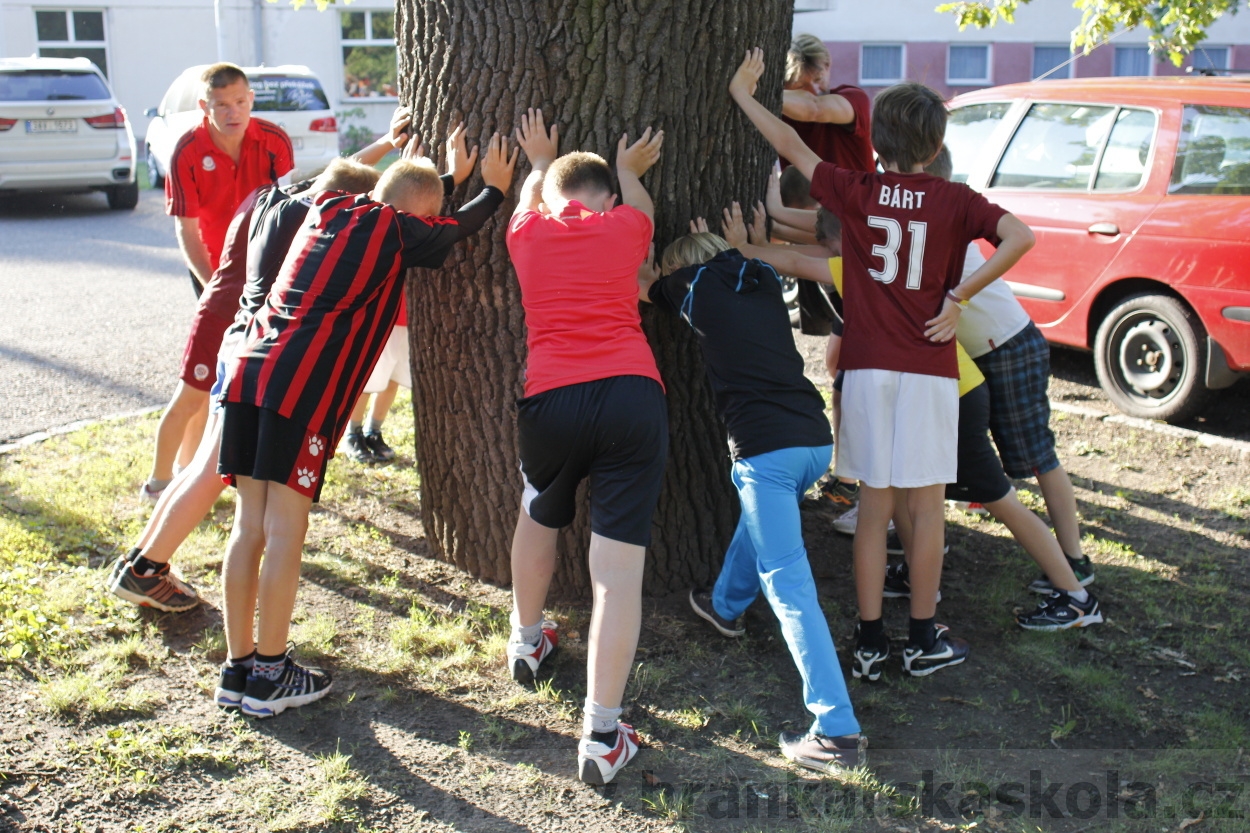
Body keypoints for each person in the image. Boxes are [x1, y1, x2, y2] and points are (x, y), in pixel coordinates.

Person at [729, 49, 1035, 677]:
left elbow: (790, 142)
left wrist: (741, 94)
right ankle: (922, 638)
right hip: (929, 370)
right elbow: (1021, 237)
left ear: (876, 144)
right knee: (925, 511)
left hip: (867, 371)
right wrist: (958, 297)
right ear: (936, 145)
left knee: (873, 510)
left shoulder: (857, 189)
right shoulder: (955, 199)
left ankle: (869, 643)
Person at [109, 110, 468, 610]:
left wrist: (392, 151)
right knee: (210, 472)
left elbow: (343, 178)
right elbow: (375, 207)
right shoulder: (330, 219)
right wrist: (440, 181)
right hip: (259, 358)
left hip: (241, 346)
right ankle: (146, 568)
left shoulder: (282, 199)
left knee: (202, 467)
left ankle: (140, 563)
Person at [212, 132, 516, 718]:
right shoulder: (396, 231)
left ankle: (238, 668)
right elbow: (453, 228)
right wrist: (494, 189)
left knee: (249, 525)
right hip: (298, 390)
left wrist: (447, 180)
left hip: (248, 374)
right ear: (416, 217)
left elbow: (402, 201)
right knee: (286, 529)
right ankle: (271, 675)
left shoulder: (331, 206)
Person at [727, 205, 1101, 635]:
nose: (830, 255)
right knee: (907, 494)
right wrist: (758, 243)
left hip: (954, 394)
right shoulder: (903, 259)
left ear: (848, 242)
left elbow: (796, 260)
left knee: (997, 497)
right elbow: (800, 256)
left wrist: (743, 247)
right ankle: (918, 576)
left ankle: (1075, 596)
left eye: (832, 248)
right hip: (941, 389)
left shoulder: (861, 268)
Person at [642, 225, 864, 773]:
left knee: (790, 588)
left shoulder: (690, 284)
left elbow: (642, 284)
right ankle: (725, 607)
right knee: (761, 519)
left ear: (682, 266)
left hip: (766, 451)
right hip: (813, 442)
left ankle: (836, 731)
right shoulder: (761, 275)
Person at [504, 109, 666, 786]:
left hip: (551, 399)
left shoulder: (526, 232)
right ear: (604, 199)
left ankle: (526, 640)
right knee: (617, 573)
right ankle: (602, 733)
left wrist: (539, 163)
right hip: (631, 395)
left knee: (538, 510)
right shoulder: (624, 226)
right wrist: (630, 172)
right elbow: (643, 212)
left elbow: (529, 197)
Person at [924, 146, 1097, 599]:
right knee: (1001, 454)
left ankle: (1075, 560)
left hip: (1009, 348)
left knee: (1037, 456)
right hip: (984, 354)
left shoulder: (942, 228)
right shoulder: (930, 221)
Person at [140, 63, 294, 503]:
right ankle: (162, 482)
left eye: (241, 102)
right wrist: (212, 285)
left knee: (228, 378)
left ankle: (191, 471)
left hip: (260, 275)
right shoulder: (187, 150)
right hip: (214, 274)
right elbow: (186, 229)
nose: (233, 112)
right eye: (222, 104)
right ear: (204, 106)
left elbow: (288, 206)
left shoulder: (274, 141)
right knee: (199, 381)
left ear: (251, 100)